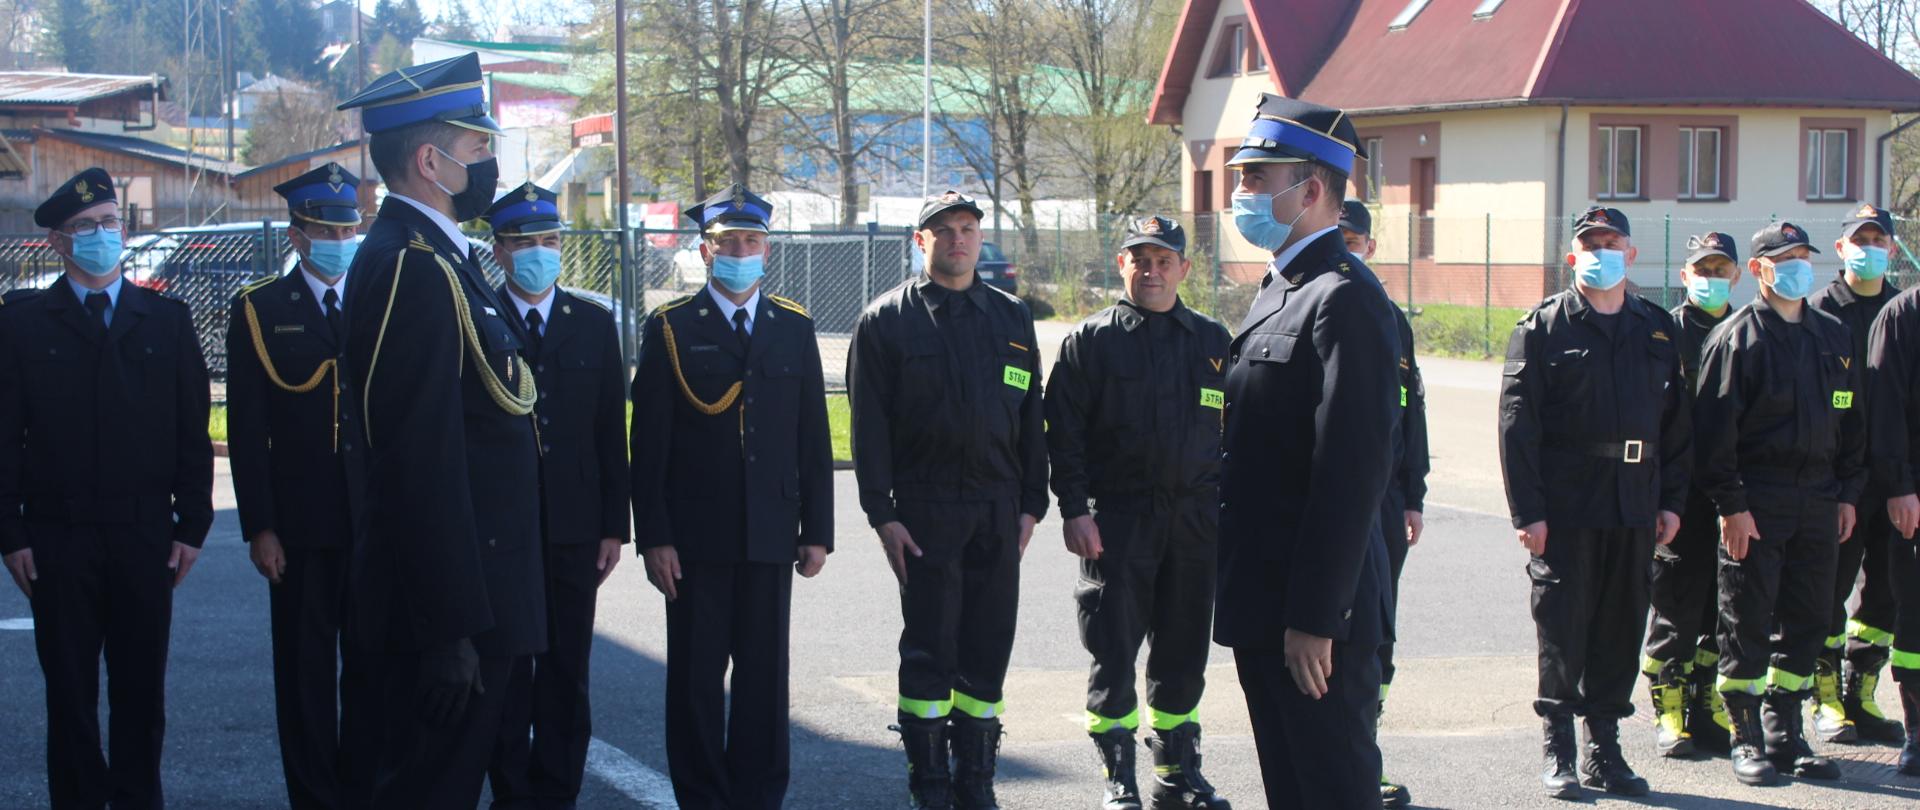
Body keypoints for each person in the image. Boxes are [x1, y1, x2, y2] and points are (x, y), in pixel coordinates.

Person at [334, 52, 548, 809]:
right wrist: (448, 629)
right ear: (432, 162)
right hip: (457, 616)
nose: (491, 163)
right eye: (477, 146)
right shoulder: (411, 267)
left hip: (485, 600)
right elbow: (416, 459)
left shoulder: (442, 260)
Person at [0, 167, 215, 808]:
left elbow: (192, 432)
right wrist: (10, 534)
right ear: (57, 242)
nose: (102, 235)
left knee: (141, 694)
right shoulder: (22, 326)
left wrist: (193, 526)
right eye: (85, 227)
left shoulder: (166, 320)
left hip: (143, 534)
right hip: (57, 536)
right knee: (70, 698)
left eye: (110, 223)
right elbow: (4, 436)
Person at [1215, 95, 1396, 810]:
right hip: (1267, 601)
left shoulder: (1344, 299)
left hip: (1314, 617)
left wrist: (1317, 617)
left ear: (1311, 190)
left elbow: (1351, 475)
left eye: (1256, 179)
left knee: (1331, 789)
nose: (1241, 193)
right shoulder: (1284, 288)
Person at [631, 184, 833, 810]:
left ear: (767, 251)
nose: (740, 252)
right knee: (696, 680)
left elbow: (812, 438)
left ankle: (758, 796)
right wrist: (655, 537)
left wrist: (817, 531)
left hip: (770, 532)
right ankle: (702, 797)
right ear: (705, 251)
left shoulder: (793, 326)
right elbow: (649, 446)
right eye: (727, 243)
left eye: (751, 241)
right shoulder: (670, 327)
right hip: (695, 539)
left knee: (764, 679)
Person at [848, 189, 1048, 810]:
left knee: (989, 644)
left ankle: (975, 779)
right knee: (930, 646)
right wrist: (882, 515)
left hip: (998, 506)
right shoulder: (886, 321)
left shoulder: (1012, 318)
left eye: (968, 228)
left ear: (980, 238)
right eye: (944, 230)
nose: (958, 239)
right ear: (921, 241)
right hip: (926, 508)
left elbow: (1031, 416)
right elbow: (868, 429)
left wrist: (1031, 504)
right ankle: (930, 782)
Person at [1043, 215, 1232, 810]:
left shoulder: (1212, 342)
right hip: (1118, 521)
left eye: (1163, 261)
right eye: (1140, 260)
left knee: (1183, 652)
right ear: (1121, 264)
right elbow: (1063, 435)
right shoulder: (1091, 341)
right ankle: (1118, 776)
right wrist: (1074, 510)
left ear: (1184, 268)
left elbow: (1238, 434)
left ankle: (1176, 774)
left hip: (1194, 523)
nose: (1152, 271)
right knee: (1113, 649)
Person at [1500, 206, 1689, 799]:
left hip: (1635, 502)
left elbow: (1677, 426)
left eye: (1611, 243)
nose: (1601, 252)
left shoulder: (1657, 329)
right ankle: (1558, 747)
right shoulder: (1543, 327)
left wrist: (1672, 501)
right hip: (1568, 504)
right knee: (1563, 626)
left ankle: (1604, 750)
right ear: (1572, 256)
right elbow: (1517, 427)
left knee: (1621, 625)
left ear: (1631, 255)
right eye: (1590, 244)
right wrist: (1528, 512)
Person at [1695, 221, 1864, 786]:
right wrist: (1731, 506)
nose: (1797, 267)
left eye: (1802, 257)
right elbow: (1714, 436)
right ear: (1759, 270)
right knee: (1746, 619)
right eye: (1784, 259)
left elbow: (1851, 418)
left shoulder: (1832, 335)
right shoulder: (1736, 339)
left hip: (1819, 499)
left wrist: (1847, 493)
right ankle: (1746, 738)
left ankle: (1784, 734)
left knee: (1810, 618)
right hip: (1757, 502)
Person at [227, 161, 372, 808]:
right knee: (305, 674)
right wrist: (261, 526)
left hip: (370, 522)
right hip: (301, 525)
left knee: (371, 670)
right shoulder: (261, 309)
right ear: (296, 235)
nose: (340, 241)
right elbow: (247, 431)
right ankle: (315, 798)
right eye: (326, 231)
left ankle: (362, 790)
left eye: (348, 229)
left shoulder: (376, 300)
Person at [483, 182, 632, 809]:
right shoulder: (477, 318)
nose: (539, 253)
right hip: (502, 529)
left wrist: (613, 526)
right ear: (499, 250)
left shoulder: (592, 323)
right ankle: (511, 791)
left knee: (567, 668)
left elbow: (609, 432)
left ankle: (557, 791)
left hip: (575, 526)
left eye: (549, 240)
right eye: (525, 243)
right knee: (506, 670)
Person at [1336, 199, 1427, 809]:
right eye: (1336, 237)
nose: (1346, 250)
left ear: (1369, 247)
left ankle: (1366, 750)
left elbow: (1410, 411)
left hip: (1387, 502)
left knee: (1379, 630)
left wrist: (1413, 494)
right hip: (1333, 496)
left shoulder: (1391, 317)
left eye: (1354, 241)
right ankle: (1336, 754)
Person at [1639, 232, 1742, 759]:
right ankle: (1669, 708)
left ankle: (1705, 705)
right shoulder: (1665, 332)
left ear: (1737, 276)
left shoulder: (1746, 331)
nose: (1711, 279)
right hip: (1679, 491)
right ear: (1684, 276)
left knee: (1720, 609)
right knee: (1675, 605)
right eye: (1702, 270)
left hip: (1728, 492)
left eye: (1720, 270)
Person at [1808, 203, 1907, 745]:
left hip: (1893, 479)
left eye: (1878, 240)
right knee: (1829, 587)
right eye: (1859, 240)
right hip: (1835, 480)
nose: (1869, 249)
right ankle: (1825, 699)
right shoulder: (1818, 312)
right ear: (1841, 247)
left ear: (1892, 248)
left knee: (1884, 592)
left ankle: (1861, 693)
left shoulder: (1904, 310)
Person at [1865, 226, 1920, 776]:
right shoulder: (1902, 316)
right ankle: (1918, 731)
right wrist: (1901, 487)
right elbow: (1885, 412)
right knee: (1917, 616)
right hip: (1916, 495)